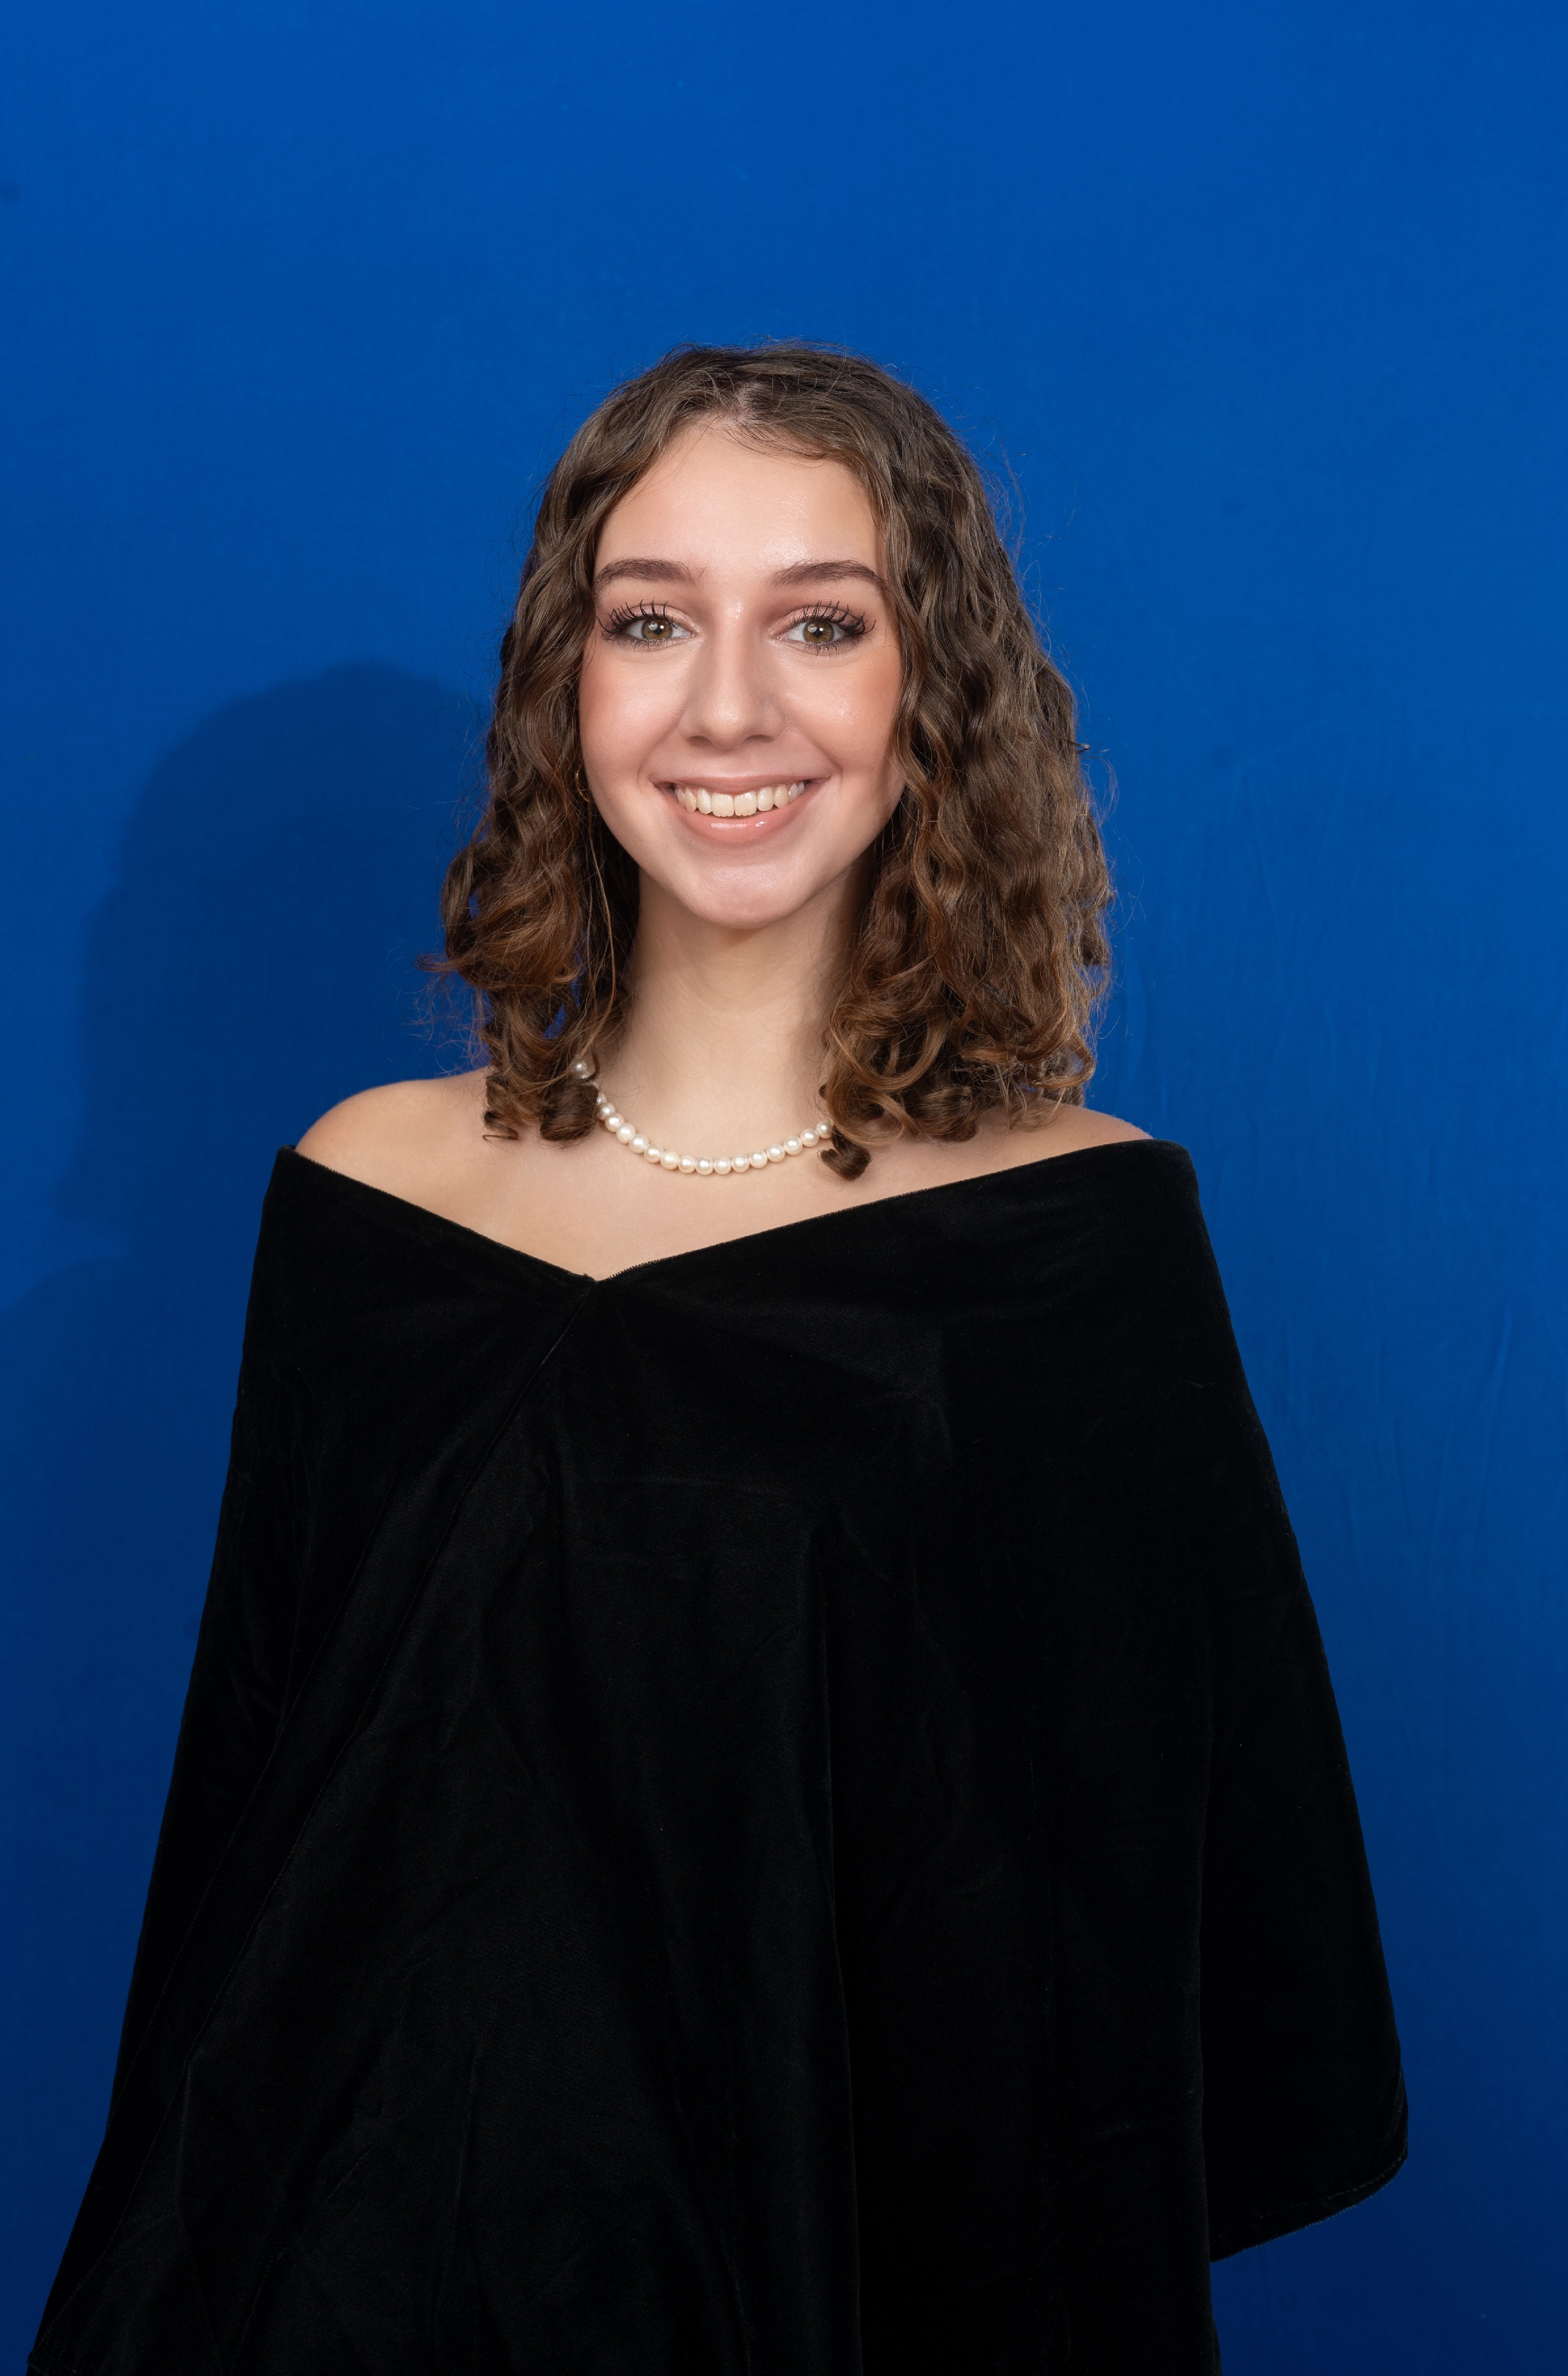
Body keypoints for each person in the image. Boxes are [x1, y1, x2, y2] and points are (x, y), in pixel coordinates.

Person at [33, 345, 1405, 2376]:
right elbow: (246, 1856)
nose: (730, 707)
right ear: (565, 687)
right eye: (653, 619)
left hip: (836, 2292)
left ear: (933, 692)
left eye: (823, 623)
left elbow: (1149, 1941)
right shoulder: (362, 1196)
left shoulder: (1075, 1246)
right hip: (333, 2293)